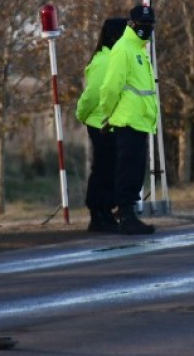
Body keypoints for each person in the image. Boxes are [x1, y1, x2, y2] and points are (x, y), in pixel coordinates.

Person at [99, 4, 158, 236]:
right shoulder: (124, 49)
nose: (146, 29)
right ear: (131, 24)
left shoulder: (139, 49)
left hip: (140, 120)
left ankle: (128, 212)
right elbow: (110, 87)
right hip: (127, 120)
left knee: (135, 170)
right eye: (141, 24)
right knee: (128, 169)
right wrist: (107, 115)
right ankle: (125, 214)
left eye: (150, 25)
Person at [76, 16, 127, 233]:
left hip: (110, 122)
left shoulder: (111, 57)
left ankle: (105, 211)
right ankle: (99, 212)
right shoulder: (105, 60)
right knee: (104, 168)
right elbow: (94, 93)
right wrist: (82, 114)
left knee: (110, 167)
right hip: (102, 122)